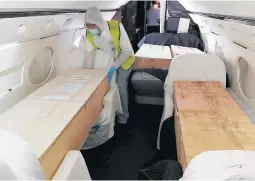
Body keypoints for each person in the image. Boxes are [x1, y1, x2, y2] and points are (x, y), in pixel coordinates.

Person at [83, 6, 135, 124]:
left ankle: (123, 117)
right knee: (108, 87)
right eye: (88, 26)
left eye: (93, 25)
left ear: (99, 22)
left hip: (125, 60)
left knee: (120, 86)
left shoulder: (116, 27)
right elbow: (89, 57)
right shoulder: (89, 34)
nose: (91, 29)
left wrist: (115, 66)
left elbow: (126, 51)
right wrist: (87, 74)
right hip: (112, 60)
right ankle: (112, 113)